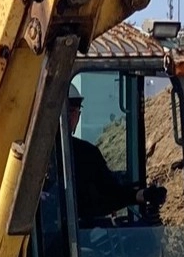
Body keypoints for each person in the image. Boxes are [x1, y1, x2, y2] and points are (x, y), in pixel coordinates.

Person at [66, 93, 164, 227]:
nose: (68, 117)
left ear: (78, 115)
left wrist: (142, 195)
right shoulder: (36, 157)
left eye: (73, 111)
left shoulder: (88, 154)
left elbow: (110, 192)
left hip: (83, 233)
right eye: (64, 111)